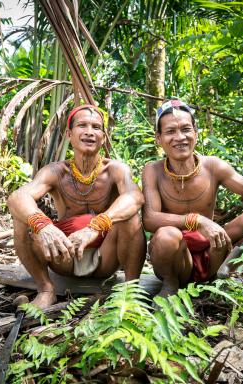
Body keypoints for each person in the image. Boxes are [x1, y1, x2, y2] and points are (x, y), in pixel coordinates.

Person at [8, 104, 146, 308]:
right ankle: (46, 289)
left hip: (105, 256)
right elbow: (17, 197)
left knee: (131, 216)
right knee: (22, 219)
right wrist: (43, 226)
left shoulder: (116, 169)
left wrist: (96, 226)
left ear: (104, 137)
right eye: (82, 125)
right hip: (64, 256)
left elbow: (135, 197)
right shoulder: (55, 171)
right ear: (69, 134)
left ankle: (130, 293)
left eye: (96, 127)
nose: (89, 132)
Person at [142, 99, 243, 297]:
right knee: (166, 235)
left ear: (195, 132)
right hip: (176, 259)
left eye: (186, 129)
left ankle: (227, 274)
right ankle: (171, 285)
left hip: (214, 253)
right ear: (158, 139)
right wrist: (197, 221)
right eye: (170, 132)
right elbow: (150, 218)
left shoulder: (212, 166)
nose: (180, 137)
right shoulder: (153, 171)